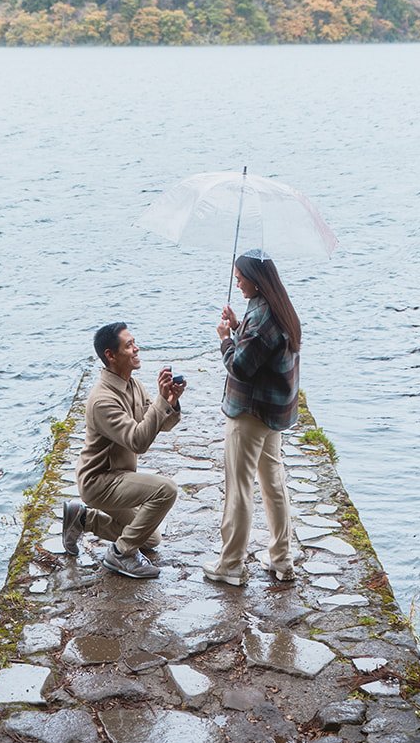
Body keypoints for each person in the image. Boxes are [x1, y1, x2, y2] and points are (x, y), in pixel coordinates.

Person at [203, 247, 301, 586]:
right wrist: (238, 324)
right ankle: (282, 559)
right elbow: (260, 348)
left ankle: (231, 564)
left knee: (238, 487)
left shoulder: (262, 318)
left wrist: (225, 339)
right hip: (271, 412)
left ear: (257, 281)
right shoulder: (276, 308)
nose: (238, 283)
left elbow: (241, 367)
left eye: (241, 278)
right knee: (273, 483)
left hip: (250, 412)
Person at [62, 321, 187, 580]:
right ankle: (120, 554)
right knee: (166, 490)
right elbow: (138, 441)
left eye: (134, 342)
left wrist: (171, 402)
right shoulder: (102, 400)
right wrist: (161, 402)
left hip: (119, 476)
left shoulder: (134, 385)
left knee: (150, 538)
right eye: (129, 345)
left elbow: (159, 424)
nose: (136, 348)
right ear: (111, 355)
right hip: (100, 481)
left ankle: (82, 520)